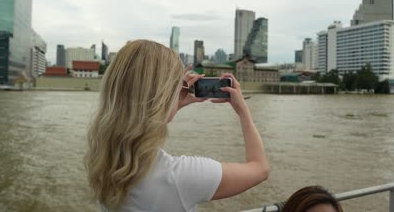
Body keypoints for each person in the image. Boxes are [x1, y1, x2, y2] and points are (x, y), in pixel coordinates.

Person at [84, 40, 269, 212]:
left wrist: (173, 104)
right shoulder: (181, 176)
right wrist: (243, 111)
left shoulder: (103, 160)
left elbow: (138, 116)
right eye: (178, 85)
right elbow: (260, 169)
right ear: (164, 96)